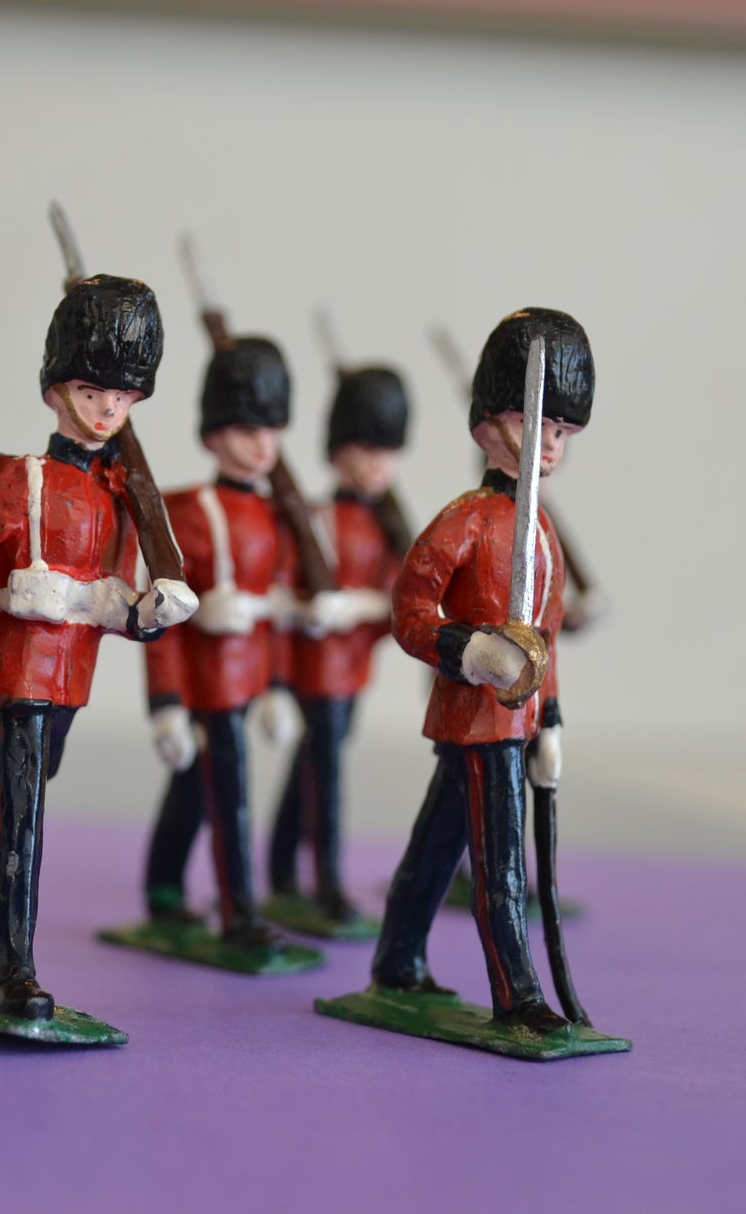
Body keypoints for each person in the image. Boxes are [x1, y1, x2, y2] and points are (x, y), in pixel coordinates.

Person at [0, 274, 195, 1020]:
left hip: (71, 681)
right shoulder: (20, 481)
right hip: (12, 678)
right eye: (90, 391)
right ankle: (11, 969)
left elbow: (116, 602)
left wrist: (150, 612)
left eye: (121, 397)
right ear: (56, 390)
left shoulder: (121, 496)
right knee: (22, 821)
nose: (106, 409)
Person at [370, 307, 592, 1034]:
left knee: (438, 847)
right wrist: (470, 651)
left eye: (561, 432)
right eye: (534, 425)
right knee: (501, 861)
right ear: (488, 428)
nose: (549, 445)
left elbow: (545, 640)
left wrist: (549, 720)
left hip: (518, 721)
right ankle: (516, 994)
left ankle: (397, 959)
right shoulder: (464, 520)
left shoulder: (544, 533)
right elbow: (410, 612)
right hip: (475, 716)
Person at [139, 337, 305, 958]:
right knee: (229, 795)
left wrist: (278, 686)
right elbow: (160, 618)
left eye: (271, 430)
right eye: (245, 430)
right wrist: (166, 703)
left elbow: (277, 616)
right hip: (203, 682)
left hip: (247, 680)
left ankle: (162, 885)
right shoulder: (189, 512)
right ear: (214, 435)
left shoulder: (277, 518)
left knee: (194, 789)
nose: (262, 445)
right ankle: (240, 915)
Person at [266, 366, 410, 932]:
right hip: (316, 669)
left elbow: (403, 603)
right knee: (324, 774)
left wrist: (357, 608)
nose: (377, 465)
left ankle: (283, 869)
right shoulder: (316, 519)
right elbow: (283, 592)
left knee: (313, 765)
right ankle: (323, 881)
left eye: (386, 453)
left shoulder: (386, 529)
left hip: (352, 669)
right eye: (365, 450)